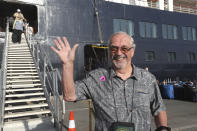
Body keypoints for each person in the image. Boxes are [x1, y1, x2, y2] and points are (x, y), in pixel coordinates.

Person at [51, 32, 170, 131]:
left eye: (124, 48)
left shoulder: (148, 79)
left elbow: (159, 108)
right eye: (114, 48)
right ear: (109, 51)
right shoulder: (96, 78)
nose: (119, 53)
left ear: (132, 51)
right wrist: (67, 65)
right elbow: (70, 96)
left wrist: (163, 128)